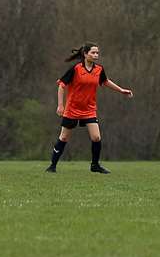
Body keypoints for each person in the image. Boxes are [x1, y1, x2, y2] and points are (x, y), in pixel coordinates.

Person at [46, 43, 132, 174]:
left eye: (97, 53)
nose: (96, 55)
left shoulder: (99, 69)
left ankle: (95, 165)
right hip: (72, 109)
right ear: (85, 54)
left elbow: (106, 81)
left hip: (89, 109)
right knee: (63, 138)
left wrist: (121, 90)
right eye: (93, 53)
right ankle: (52, 166)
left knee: (96, 137)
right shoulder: (75, 69)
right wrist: (60, 105)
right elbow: (62, 85)